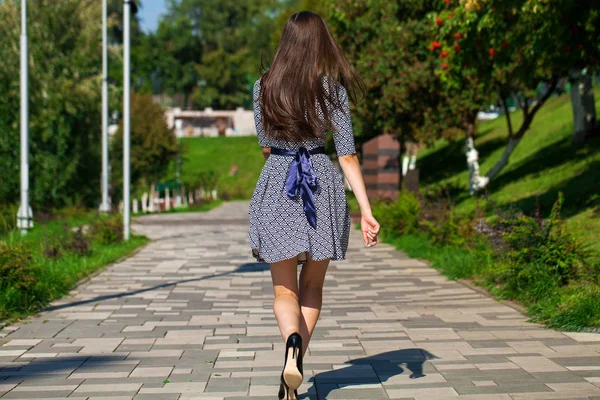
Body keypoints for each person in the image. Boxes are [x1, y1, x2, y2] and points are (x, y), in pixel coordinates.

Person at [248, 11, 381, 400]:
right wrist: (367, 210)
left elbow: (266, 145)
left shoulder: (263, 88)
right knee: (313, 286)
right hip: (321, 187)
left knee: (283, 292)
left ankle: (290, 342)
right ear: (320, 44)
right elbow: (348, 156)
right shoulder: (332, 91)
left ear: (285, 43)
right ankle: (297, 358)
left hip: (278, 184)